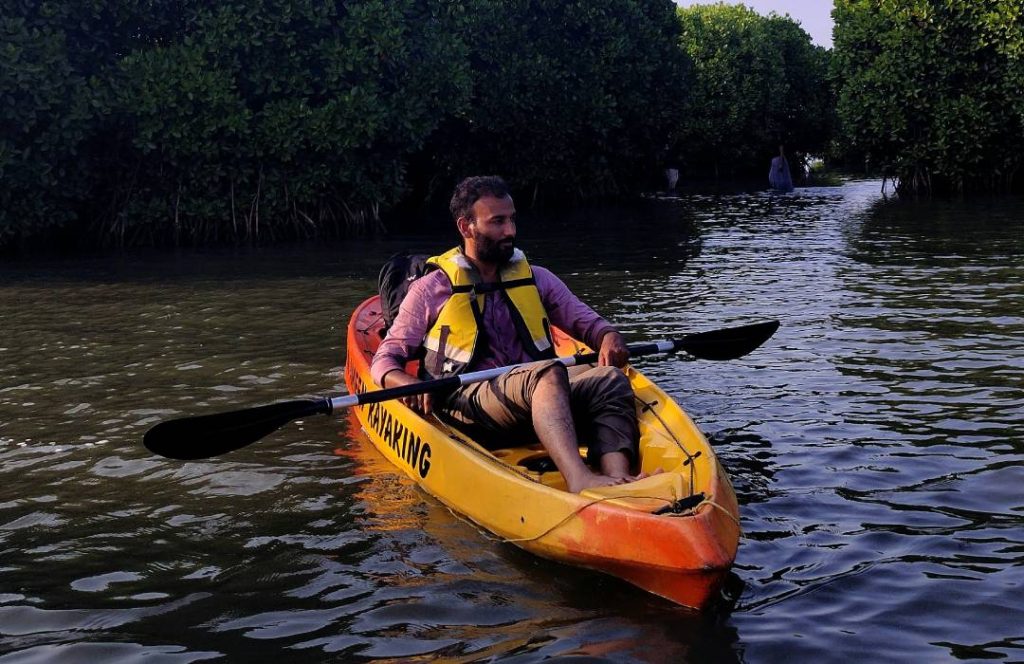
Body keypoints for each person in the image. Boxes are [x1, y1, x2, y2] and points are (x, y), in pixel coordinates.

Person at [370, 175, 643, 493]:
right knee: (547, 373)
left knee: (609, 378)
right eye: (497, 222)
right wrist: (408, 383)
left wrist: (608, 336)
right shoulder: (433, 288)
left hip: (541, 398)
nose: (510, 231)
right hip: (469, 403)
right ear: (466, 227)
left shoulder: (537, 278)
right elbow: (384, 361)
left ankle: (618, 478)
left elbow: (589, 324)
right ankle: (580, 479)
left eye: (512, 220)